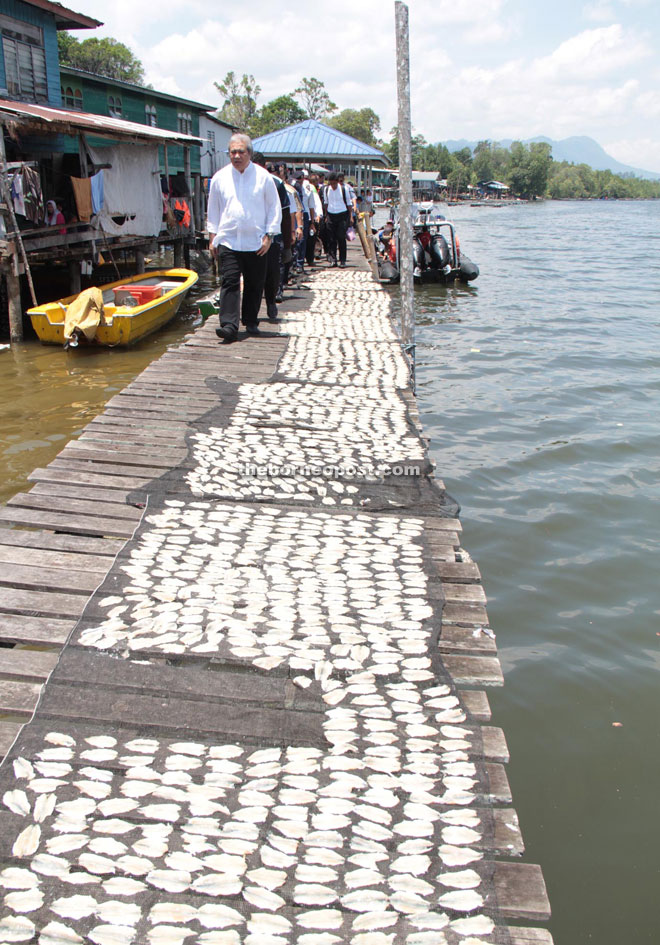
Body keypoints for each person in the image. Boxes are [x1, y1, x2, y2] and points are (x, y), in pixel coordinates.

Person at [207, 134, 281, 342]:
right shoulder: (220, 178)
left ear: (249, 153)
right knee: (229, 280)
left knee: (254, 283)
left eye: (241, 152)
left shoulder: (263, 177)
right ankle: (229, 325)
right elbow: (213, 209)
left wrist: (269, 236)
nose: (237, 156)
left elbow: (274, 208)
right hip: (229, 239)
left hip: (256, 241)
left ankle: (250, 320)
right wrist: (212, 236)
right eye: (233, 152)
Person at [254, 153, 290, 321]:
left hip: (272, 236)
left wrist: (288, 244)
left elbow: (285, 215)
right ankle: (250, 313)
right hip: (249, 238)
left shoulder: (276, 184)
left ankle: (270, 301)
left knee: (272, 272)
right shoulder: (241, 182)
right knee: (251, 275)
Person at [323, 171, 354, 268]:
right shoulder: (326, 189)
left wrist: (351, 216)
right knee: (331, 239)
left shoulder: (344, 189)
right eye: (331, 183)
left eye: (334, 183)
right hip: (331, 214)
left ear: (338, 182)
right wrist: (326, 216)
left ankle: (343, 260)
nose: (332, 186)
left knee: (341, 237)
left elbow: (349, 204)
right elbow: (326, 203)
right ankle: (333, 259)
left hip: (342, 214)